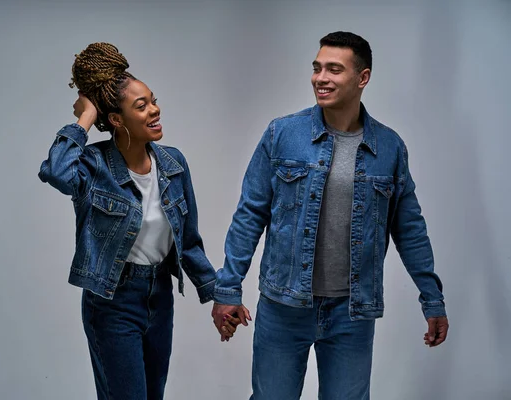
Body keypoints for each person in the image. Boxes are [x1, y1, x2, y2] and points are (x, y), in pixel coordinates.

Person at [211, 31, 449, 399]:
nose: (320, 78)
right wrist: (228, 287)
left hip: (352, 313)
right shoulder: (282, 134)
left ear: (362, 78)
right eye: (317, 68)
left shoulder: (389, 147)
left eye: (334, 69)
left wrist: (431, 298)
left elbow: (410, 229)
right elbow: (249, 215)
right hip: (283, 306)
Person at [38, 42, 236, 400]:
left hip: (160, 297)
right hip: (112, 301)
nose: (155, 110)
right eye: (141, 106)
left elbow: (188, 242)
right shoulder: (94, 166)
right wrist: (84, 118)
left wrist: (217, 297)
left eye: (154, 101)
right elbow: (56, 172)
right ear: (116, 119)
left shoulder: (173, 164)